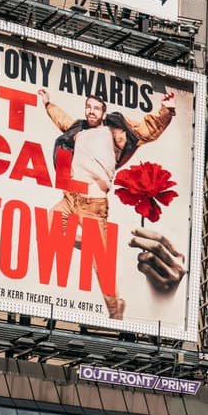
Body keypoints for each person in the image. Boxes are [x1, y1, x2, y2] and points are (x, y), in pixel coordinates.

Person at [37, 89, 182, 318]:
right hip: (70, 197)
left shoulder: (114, 132)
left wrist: (167, 110)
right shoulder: (78, 129)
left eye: (96, 108)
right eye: (88, 107)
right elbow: (62, 120)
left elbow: (145, 130)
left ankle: (115, 309)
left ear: (103, 113)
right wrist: (48, 104)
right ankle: (94, 250)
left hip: (93, 204)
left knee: (100, 267)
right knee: (51, 228)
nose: (91, 111)